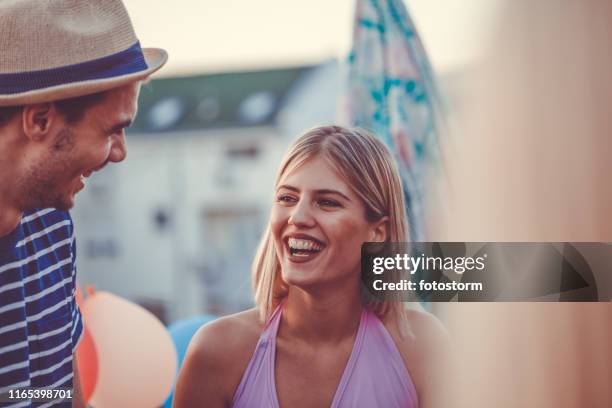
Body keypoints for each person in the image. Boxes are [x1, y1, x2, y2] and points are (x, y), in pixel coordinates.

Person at [174, 126, 450, 408]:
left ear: (377, 232)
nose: (298, 217)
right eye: (287, 198)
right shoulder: (217, 350)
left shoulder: (420, 346)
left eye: (327, 202)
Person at [0, 1, 167, 406]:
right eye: (113, 130)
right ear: (39, 120)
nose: (119, 153)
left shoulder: (52, 223)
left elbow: (54, 387)